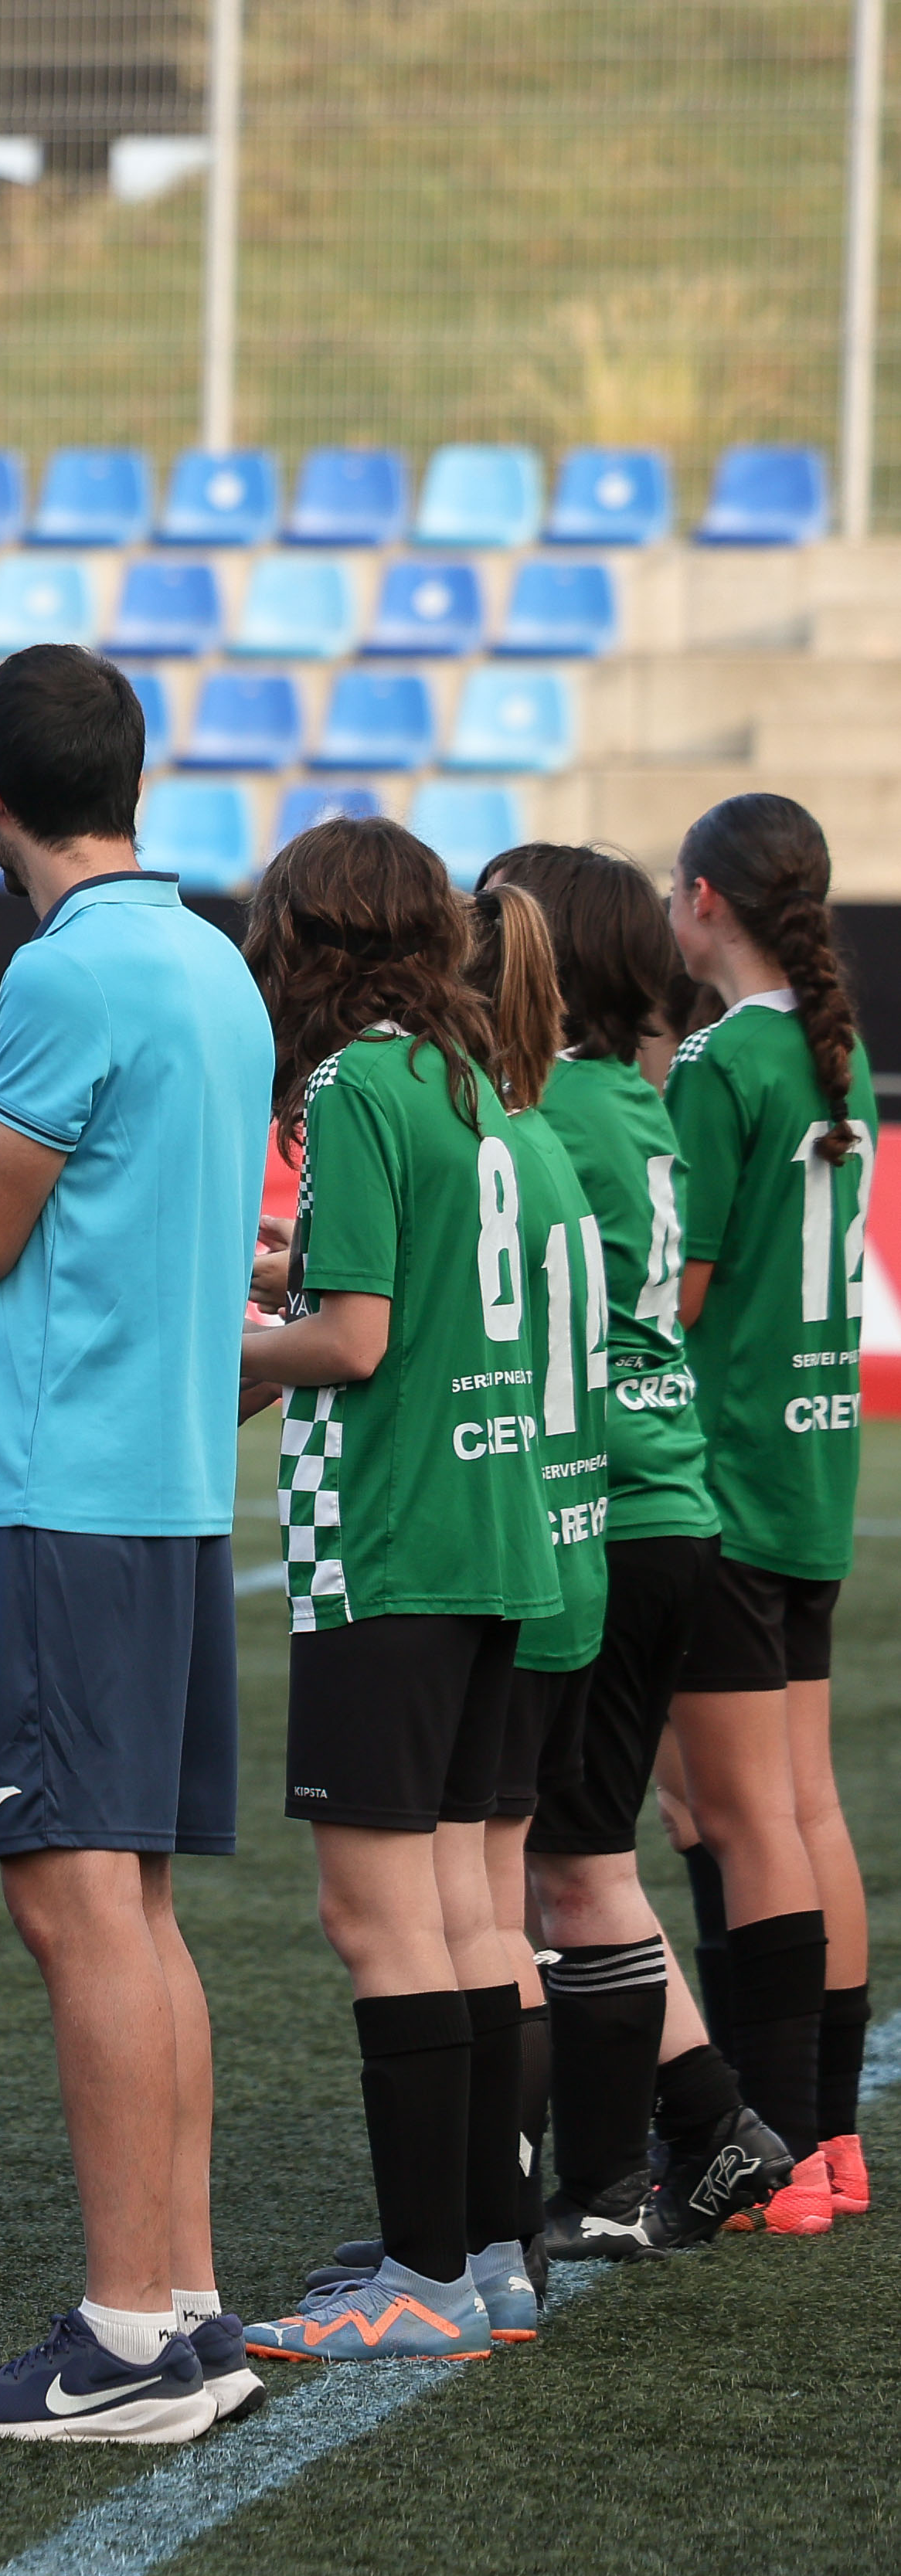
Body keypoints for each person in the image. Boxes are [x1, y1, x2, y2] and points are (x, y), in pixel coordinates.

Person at [0, 646, 274, 2443]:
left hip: (65, 1494)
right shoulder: (212, 961)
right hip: (173, 1495)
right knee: (136, 1909)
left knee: (76, 1908)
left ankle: (124, 2338)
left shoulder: (62, 969)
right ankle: (182, 2309)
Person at [223, 817, 556, 2367]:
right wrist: (294, 1289)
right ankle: (488, 2253)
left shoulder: (357, 1083)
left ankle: (419, 2275)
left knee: (380, 1916)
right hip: (495, 1534)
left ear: (310, 943)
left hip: (394, 1538)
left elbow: (353, 1343)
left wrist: (219, 1348)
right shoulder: (477, 1081)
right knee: (470, 1908)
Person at [492, 843, 803, 2253]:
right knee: (578, 1856)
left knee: (563, 1863)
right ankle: (682, 2139)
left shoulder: (557, 1106)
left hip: (606, 1505)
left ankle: (628, 2170)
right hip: (660, 1498)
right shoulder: (632, 1097)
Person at [659, 791, 876, 2232]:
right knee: (801, 1803)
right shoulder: (828, 1053)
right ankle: (831, 2143)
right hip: (813, 1467)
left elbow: (679, 1292)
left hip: (727, 1473)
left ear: (704, 901)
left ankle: (780, 2152)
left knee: (737, 1816)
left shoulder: (724, 1058)